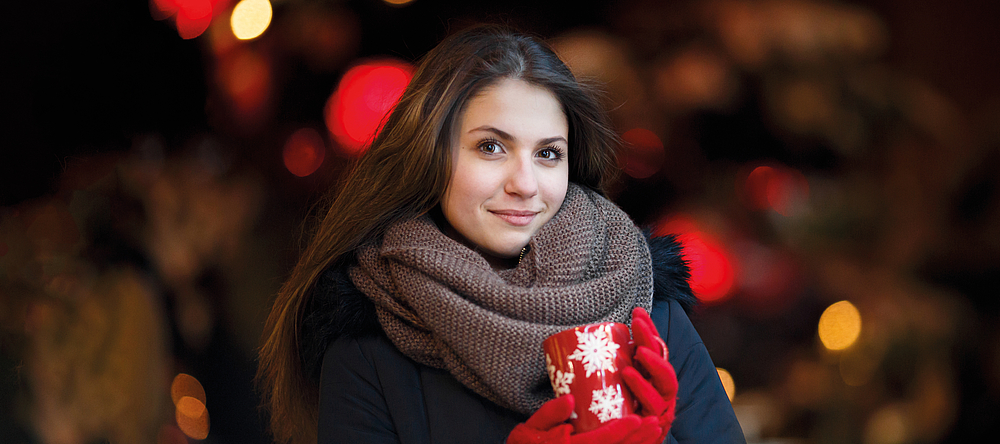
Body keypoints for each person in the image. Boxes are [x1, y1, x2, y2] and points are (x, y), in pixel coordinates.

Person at [256, 24, 745, 444]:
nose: (525, 184)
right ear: (431, 156)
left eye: (548, 153)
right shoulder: (368, 346)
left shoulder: (643, 303)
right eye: (491, 147)